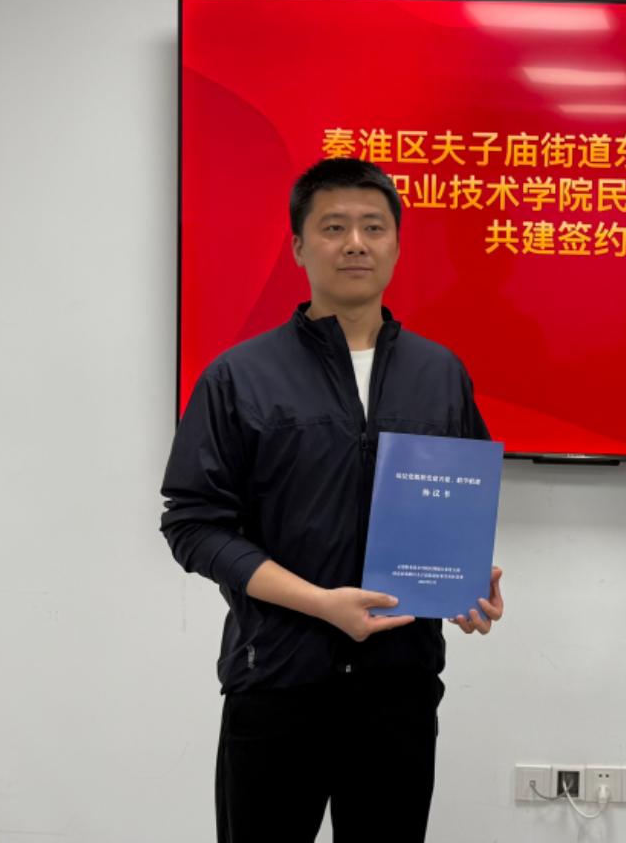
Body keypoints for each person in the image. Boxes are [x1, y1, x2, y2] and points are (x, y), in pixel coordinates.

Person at [161, 157, 503, 843]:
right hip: (277, 680)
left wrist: (466, 586)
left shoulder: (441, 373)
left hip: (399, 685)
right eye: (334, 227)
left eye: (373, 227)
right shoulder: (239, 376)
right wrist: (320, 603)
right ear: (297, 246)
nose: (355, 243)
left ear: (396, 246)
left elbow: (458, 504)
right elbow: (193, 524)